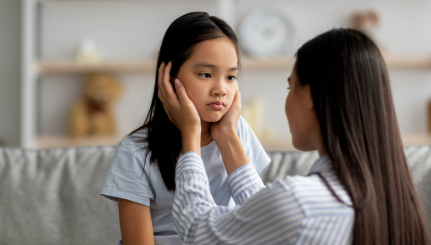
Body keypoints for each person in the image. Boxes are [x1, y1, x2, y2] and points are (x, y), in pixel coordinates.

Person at [159, 28, 431, 244]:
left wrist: (190, 135)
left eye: (290, 87)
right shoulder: (394, 200)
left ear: (310, 95)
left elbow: (198, 231)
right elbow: (267, 220)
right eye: (206, 74)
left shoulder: (300, 201)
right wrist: (228, 135)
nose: (221, 88)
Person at [99, 12, 270, 245]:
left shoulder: (238, 132)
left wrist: (228, 135)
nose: (221, 89)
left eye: (231, 77)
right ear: (169, 77)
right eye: (206, 74)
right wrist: (191, 132)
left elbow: (264, 223)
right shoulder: (135, 152)